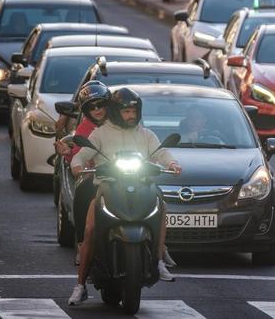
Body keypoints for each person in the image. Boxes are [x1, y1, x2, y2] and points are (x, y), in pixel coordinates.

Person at [69, 87, 181, 305]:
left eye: (134, 111)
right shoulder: (100, 133)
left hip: (141, 187)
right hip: (108, 189)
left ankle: (159, 260)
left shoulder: (145, 134)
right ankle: (80, 285)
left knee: (161, 205)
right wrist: (77, 165)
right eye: (126, 111)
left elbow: (161, 152)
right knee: (90, 229)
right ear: (116, 111)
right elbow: (82, 155)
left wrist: (172, 163)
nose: (131, 115)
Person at [53, 81, 112, 250]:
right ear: (85, 111)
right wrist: (70, 154)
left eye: (100, 104)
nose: (97, 109)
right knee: (82, 192)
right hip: (97, 175)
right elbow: (80, 155)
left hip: (126, 174)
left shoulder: (119, 122)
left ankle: (159, 249)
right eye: (91, 107)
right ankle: (82, 243)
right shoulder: (84, 127)